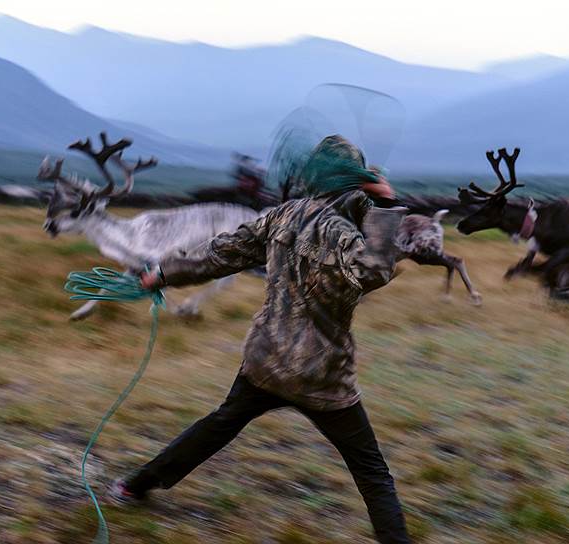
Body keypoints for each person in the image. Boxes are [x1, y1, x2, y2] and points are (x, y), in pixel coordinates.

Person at [110, 135, 411, 543]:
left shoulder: (281, 216)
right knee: (372, 471)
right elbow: (373, 273)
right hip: (322, 374)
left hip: (266, 361)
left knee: (218, 426)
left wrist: (162, 273)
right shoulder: (344, 233)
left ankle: (134, 486)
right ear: (357, 181)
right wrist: (388, 204)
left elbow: (219, 254)